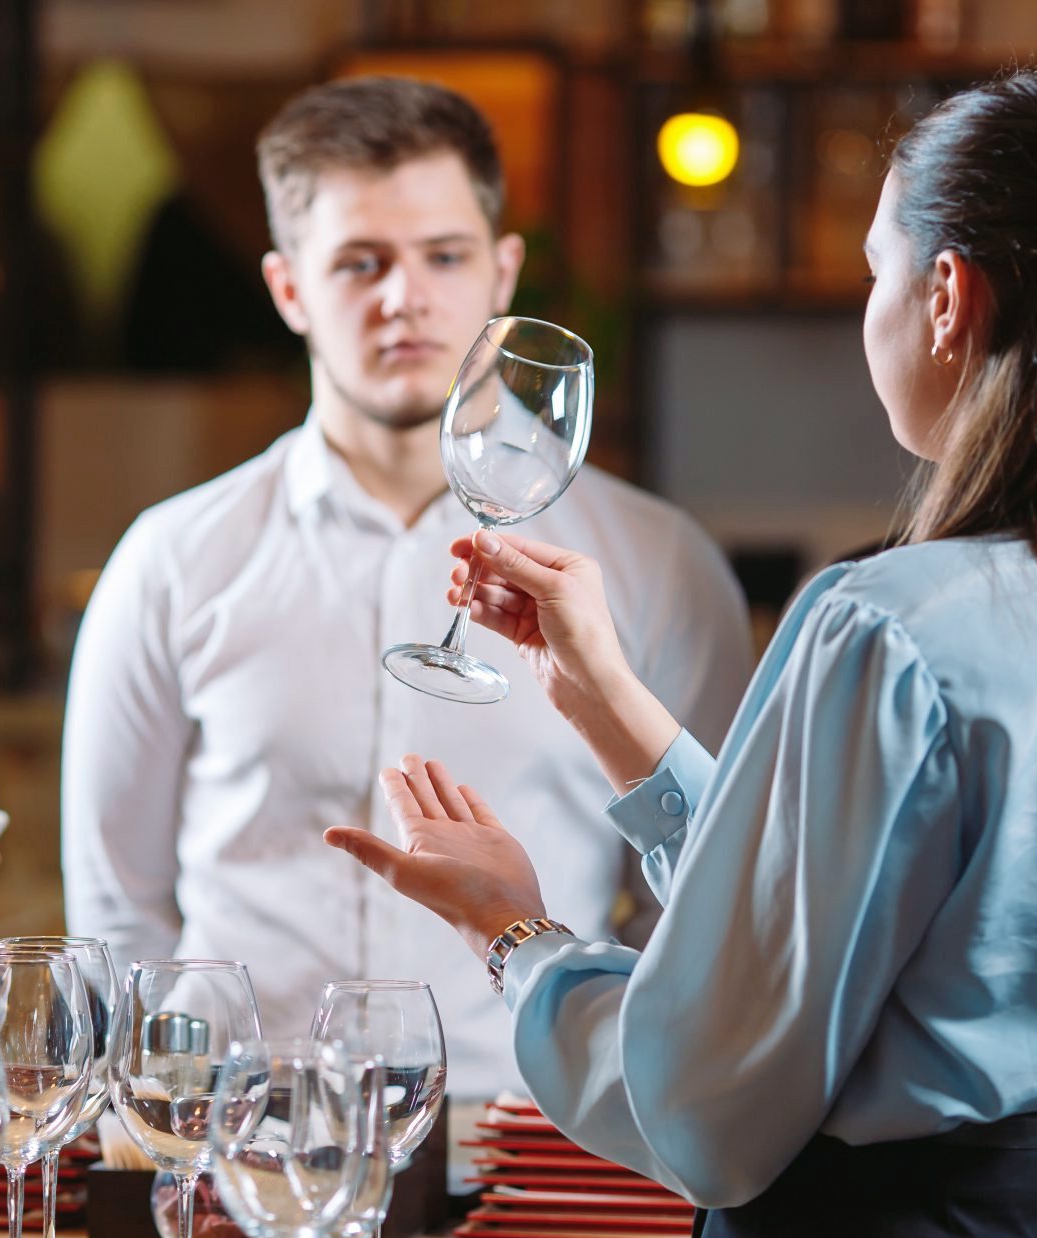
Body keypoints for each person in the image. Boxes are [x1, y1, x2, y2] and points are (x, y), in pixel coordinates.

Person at [325, 64, 1037, 1238]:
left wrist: (512, 934)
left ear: (946, 296)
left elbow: (704, 1111)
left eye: (875, 271)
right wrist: (607, 704)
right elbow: (865, 911)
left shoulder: (881, 624)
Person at [60, 76, 751, 1101]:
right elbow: (119, 910)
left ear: (501, 271)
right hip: (249, 1134)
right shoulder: (169, 560)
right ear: (288, 288)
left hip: (531, 1132)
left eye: (444, 256)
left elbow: (701, 906)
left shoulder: (659, 564)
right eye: (359, 262)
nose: (404, 298)